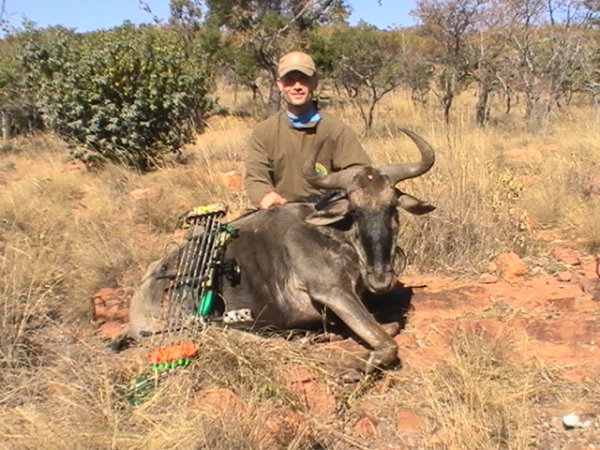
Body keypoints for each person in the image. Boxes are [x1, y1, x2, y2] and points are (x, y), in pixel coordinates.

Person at [244, 50, 371, 209]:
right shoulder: (264, 132)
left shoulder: (336, 130)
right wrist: (264, 196)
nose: (297, 86)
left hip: (326, 211)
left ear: (314, 82)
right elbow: (256, 177)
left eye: (303, 79)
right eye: (290, 80)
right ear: (279, 84)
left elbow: (360, 173)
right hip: (280, 212)